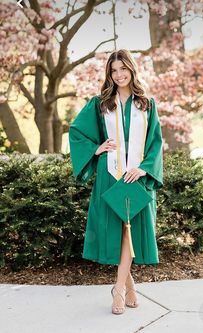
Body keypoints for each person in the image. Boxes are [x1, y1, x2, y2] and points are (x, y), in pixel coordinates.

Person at [69, 49, 163, 315]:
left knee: (130, 232)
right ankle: (125, 288)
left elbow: (155, 142)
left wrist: (145, 170)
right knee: (120, 232)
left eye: (123, 69)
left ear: (131, 70)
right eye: (114, 70)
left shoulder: (146, 104)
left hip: (137, 179)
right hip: (110, 176)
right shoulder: (100, 103)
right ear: (109, 74)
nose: (119, 75)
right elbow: (77, 132)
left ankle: (119, 289)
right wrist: (96, 149)